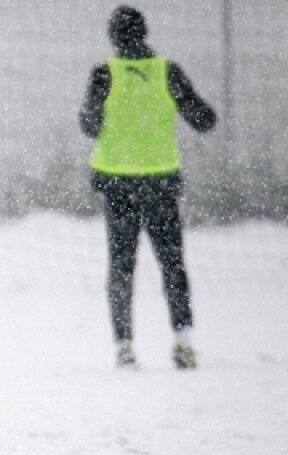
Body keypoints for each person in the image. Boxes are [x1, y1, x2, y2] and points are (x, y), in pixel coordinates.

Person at [79, 5, 216, 370]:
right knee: (172, 263)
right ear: (145, 33)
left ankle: (124, 346)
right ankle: (183, 341)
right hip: (160, 181)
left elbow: (89, 126)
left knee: (122, 265)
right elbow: (204, 120)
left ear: (112, 38)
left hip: (117, 182)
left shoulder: (103, 74)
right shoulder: (167, 72)